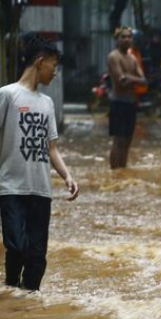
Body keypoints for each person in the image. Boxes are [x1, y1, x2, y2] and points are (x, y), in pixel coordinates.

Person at [0, 34, 79, 291]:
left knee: (37, 258)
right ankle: (11, 288)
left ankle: (25, 305)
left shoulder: (47, 103)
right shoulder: (7, 95)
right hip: (11, 187)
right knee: (17, 247)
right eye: (54, 66)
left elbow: (51, 147)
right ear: (40, 61)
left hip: (41, 190)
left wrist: (67, 176)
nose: (55, 73)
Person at [107, 26, 146, 169]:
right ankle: (114, 172)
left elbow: (143, 80)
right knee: (118, 140)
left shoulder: (133, 58)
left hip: (131, 102)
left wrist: (129, 78)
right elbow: (120, 80)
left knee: (128, 140)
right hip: (118, 102)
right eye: (123, 37)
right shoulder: (113, 56)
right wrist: (132, 79)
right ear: (117, 39)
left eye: (129, 37)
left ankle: (122, 170)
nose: (127, 39)